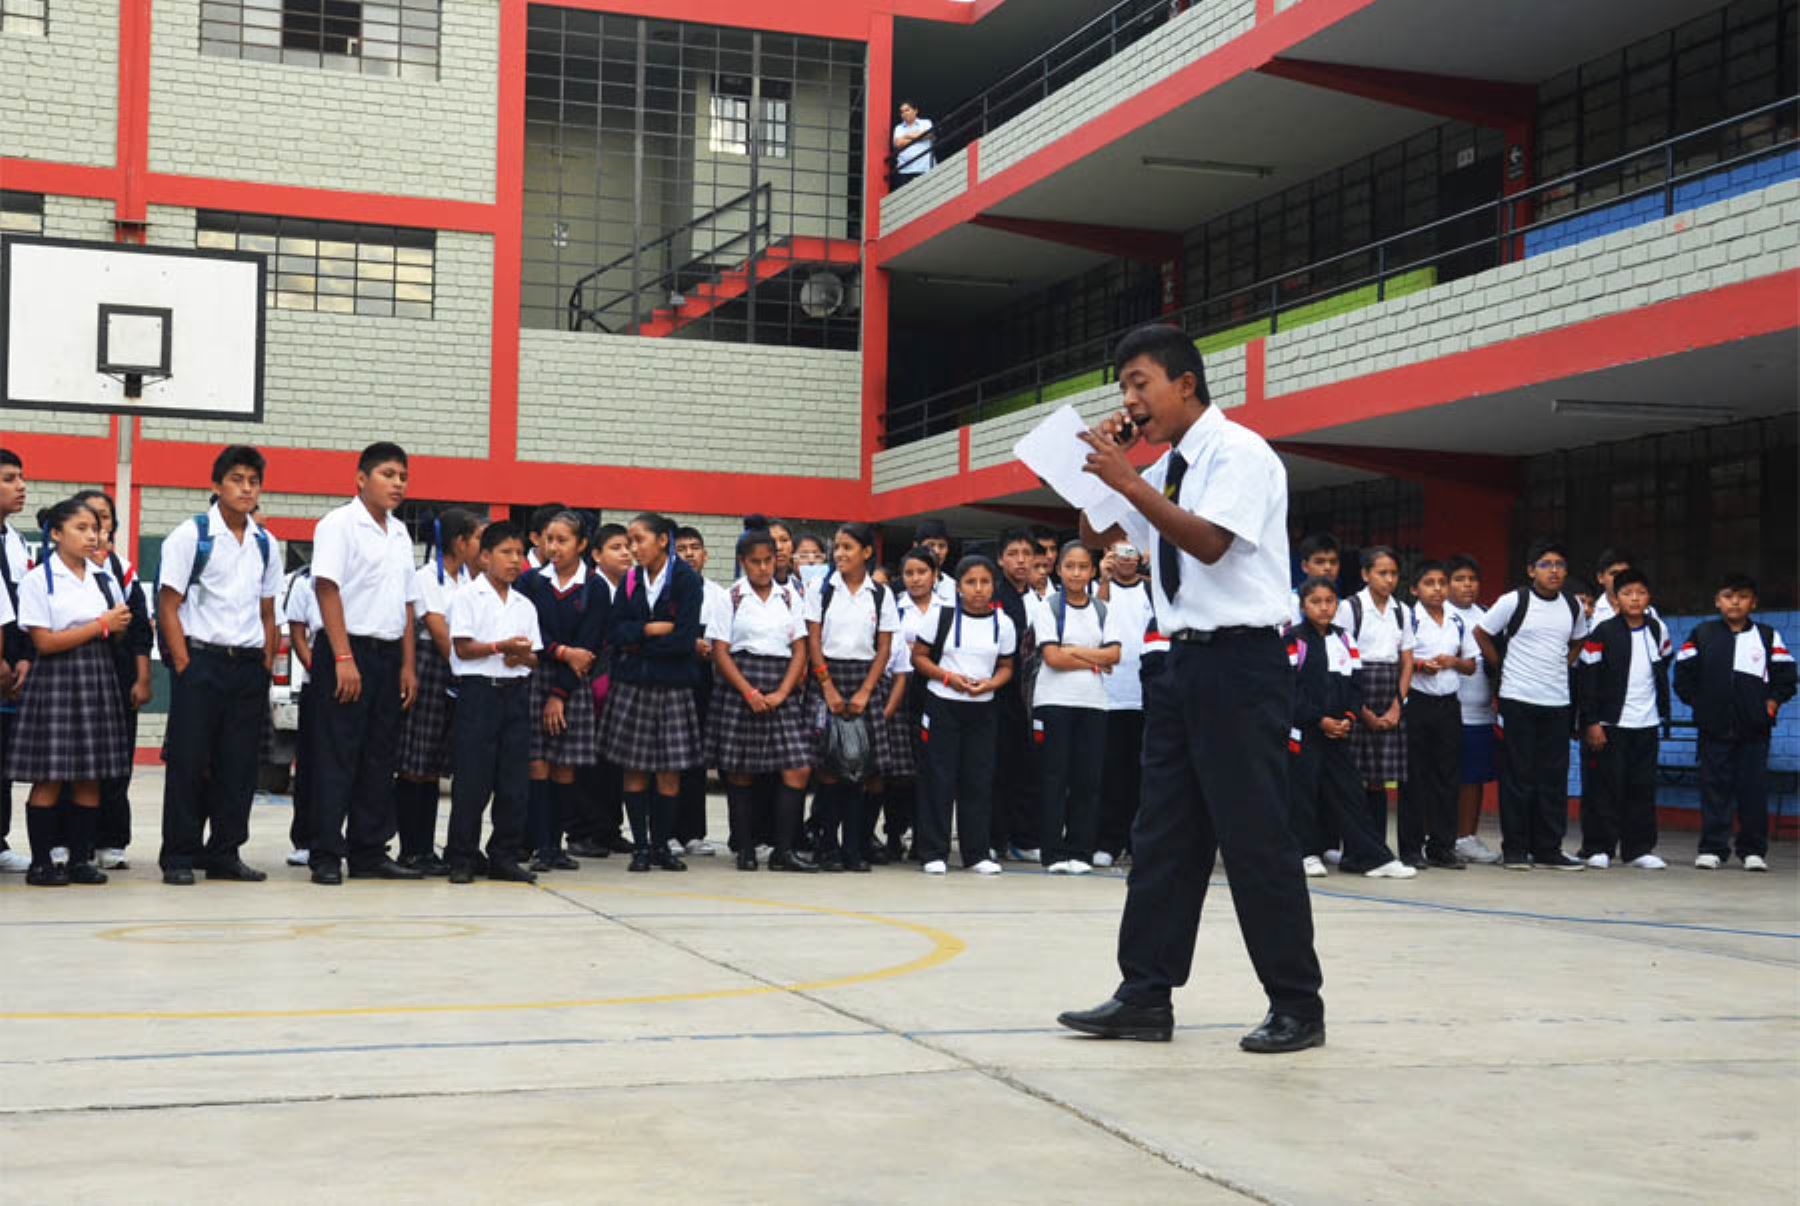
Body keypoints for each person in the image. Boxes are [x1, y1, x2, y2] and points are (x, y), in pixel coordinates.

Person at [1058, 322, 1325, 1054]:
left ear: (1185, 383)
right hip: (1180, 666)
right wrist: (1104, 478)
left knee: (1253, 835)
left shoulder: (1239, 452)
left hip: (1241, 665)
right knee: (1163, 836)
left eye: (1139, 384)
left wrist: (1131, 481)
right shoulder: (1168, 466)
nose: (1131, 400)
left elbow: (1209, 542)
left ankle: (1297, 1002)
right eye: (1122, 390)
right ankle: (1145, 994)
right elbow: (1099, 531)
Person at [156, 446, 282, 885]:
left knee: (240, 765)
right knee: (190, 761)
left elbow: (269, 611)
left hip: (248, 666)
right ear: (216, 485)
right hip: (202, 662)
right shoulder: (191, 536)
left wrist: (266, 662)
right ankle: (178, 854)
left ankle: (225, 851)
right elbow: (168, 605)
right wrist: (184, 665)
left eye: (253, 481)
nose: (246, 488)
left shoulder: (266, 543)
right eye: (237, 480)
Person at [307, 442, 424, 884]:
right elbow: (327, 588)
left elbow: (406, 604)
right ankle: (324, 853)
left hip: (388, 655)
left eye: (403, 477)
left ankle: (369, 849)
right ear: (361, 478)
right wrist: (342, 657)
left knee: (379, 757)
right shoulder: (339, 525)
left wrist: (408, 665)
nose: (398, 484)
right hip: (346, 650)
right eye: (389, 474)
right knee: (336, 755)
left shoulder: (398, 532)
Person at [12, 499, 132, 886]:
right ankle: (42, 862)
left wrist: (113, 626)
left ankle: (82, 859)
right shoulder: (37, 580)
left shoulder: (104, 577)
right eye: (81, 528)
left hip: (96, 675)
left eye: (95, 528)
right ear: (56, 533)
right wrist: (100, 624)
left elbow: (120, 627)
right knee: (50, 774)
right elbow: (44, 642)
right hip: (57, 678)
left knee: (89, 775)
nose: (91, 535)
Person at [1285, 576, 1415, 880]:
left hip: (1339, 731)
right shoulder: (1293, 639)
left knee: (1349, 792)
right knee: (1302, 792)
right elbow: (1288, 688)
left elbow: (1356, 686)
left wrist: (1347, 717)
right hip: (1304, 730)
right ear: (1303, 606)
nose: (1324, 608)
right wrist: (1318, 719)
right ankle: (1305, 852)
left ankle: (1370, 856)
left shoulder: (1345, 639)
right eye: (1315, 602)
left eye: (1329, 601)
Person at [1473, 538, 1588, 871]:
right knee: (1518, 776)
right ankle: (1516, 849)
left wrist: (1563, 663)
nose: (1554, 571)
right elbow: (1482, 632)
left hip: (1557, 701)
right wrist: (1501, 664)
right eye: (1546, 564)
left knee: (1553, 777)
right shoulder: (1514, 601)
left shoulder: (1573, 606)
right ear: (1530, 570)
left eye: (1560, 565)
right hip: (1518, 699)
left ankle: (1548, 848)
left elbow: (1578, 638)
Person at [600, 513, 706, 873]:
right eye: (628, 541)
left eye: (638, 539)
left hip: (673, 685)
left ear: (663, 540)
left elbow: (683, 639)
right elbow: (615, 632)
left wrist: (638, 645)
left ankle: (662, 844)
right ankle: (641, 846)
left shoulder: (686, 580)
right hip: (633, 685)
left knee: (669, 771)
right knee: (635, 768)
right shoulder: (630, 580)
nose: (632, 548)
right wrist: (647, 630)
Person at [705, 525, 815, 872]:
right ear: (742, 562)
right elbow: (720, 652)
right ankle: (746, 847)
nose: (763, 568)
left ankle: (783, 850)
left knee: (797, 767)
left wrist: (784, 691)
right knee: (740, 771)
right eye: (755, 562)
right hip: (742, 681)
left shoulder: (789, 597)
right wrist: (748, 692)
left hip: (781, 681)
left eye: (768, 561)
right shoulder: (731, 597)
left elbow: (801, 648)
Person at [1674, 571, 1795, 871]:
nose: (1735, 603)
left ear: (1753, 603)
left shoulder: (1767, 636)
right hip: (1713, 728)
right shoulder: (1701, 634)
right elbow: (1683, 675)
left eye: (1742, 597)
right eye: (1728, 596)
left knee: (1752, 789)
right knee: (1714, 787)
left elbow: (1787, 677)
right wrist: (1700, 705)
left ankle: (1753, 850)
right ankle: (1712, 848)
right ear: (1717, 601)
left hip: (1754, 729)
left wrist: (1771, 703)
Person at [444, 522, 541, 884]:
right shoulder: (468, 597)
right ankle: (462, 856)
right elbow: (463, 648)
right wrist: (502, 648)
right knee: (473, 778)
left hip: (515, 693)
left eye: (519, 553)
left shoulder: (524, 604)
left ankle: (504, 854)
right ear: (485, 557)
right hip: (478, 692)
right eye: (506, 553)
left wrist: (522, 658)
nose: (515, 561)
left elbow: (535, 655)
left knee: (514, 780)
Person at [911, 554, 1016, 875]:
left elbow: (1007, 666)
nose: (979, 589)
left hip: (982, 707)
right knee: (939, 777)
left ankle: (976, 852)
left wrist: (989, 685)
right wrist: (948, 677)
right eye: (971, 582)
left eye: (985, 582)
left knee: (978, 779)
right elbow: (919, 657)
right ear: (958, 587)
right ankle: (933, 851)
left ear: (994, 585)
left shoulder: (1004, 622)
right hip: (943, 703)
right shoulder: (940, 616)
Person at [804, 522, 901, 873]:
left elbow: (885, 646)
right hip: (826, 675)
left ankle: (855, 847)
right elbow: (813, 640)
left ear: (867, 552)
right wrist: (827, 686)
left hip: (865, 679)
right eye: (838, 548)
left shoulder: (880, 593)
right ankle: (827, 846)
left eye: (848, 547)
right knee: (829, 767)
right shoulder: (821, 588)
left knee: (863, 770)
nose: (840, 554)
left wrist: (865, 691)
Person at [393, 506, 484, 876]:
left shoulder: (467, 579)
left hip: (460, 668)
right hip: (435, 664)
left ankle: (427, 848)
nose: (483, 546)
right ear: (460, 542)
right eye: (478, 538)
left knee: (433, 766)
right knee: (416, 762)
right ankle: (411, 848)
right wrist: (465, 666)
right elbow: (438, 628)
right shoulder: (427, 578)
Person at [68, 489, 152, 872]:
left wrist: (141, 676)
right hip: (71, 675)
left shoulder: (124, 571)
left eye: (103, 519)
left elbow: (138, 632)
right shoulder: (55, 570)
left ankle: (112, 840)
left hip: (117, 677)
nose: (97, 527)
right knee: (71, 762)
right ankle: (65, 841)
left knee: (116, 761)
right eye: (87, 520)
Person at [520, 509, 607, 872]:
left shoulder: (595, 587)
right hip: (536, 677)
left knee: (565, 768)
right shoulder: (532, 583)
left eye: (563, 540)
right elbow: (532, 635)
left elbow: (588, 650)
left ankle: (557, 844)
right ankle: (539, 845)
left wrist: (560, 694)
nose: (553, 547)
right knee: (537, 764)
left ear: (582, 544)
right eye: (548, 539)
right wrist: (560, 651)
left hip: (573, 685)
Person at [1033, 541, 1121, 875]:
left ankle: (1081, 850)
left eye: (1083, 567)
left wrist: (1074, 651)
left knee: (1088, 780)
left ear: (1092, 570)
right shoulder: (1049, 607)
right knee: (1054, 778)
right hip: (1054, 701)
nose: (1076, 573)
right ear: (1059, 569)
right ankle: (1053, 851)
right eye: (1069, 566)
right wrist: (1092, 656)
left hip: (1093, 703)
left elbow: (1114, 655)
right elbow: (1052, 657)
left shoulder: (1102, 609)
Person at [1577, 568, 1672, 870]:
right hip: (1610, 725)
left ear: (1649, 597)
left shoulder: (1658, 630)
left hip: (1647, 723)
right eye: (1627, 593)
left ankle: (1638, 849)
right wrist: (1592, 721)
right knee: (1605, 788)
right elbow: (1588, 680)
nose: (1635, 598)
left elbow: (1663, 664)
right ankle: (1599, 847)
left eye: (1640, 593)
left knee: (1641, 788)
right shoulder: (1602, 633)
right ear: (1616, 599)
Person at [1400, 560, 1479, 869]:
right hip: (1418, 702)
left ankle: (1442, 846)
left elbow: (1471, 664)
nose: (1437, 589)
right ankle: (1411, 848)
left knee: (1447, 777)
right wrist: (1420, 665)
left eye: (1441, 583)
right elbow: (1398, 659)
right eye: (1429, 583)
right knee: (1415, 777)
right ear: (1415, 589)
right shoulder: (1409, 618)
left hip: (1449, 703)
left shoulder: (1458, 620)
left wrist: (1452, 662)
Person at [1336, 545, 1412, 844]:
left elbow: (1406, 660)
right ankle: (1351, 844)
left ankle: (1377, 843)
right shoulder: (1350, 608)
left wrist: (1397, 705)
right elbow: (1342, 658)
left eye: (1393, 573)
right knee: (1353, 775)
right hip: (1358, 693)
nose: (1389, 580)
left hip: (1389, 693)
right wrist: (1361, 709)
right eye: (1382, 573)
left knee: (1380, 779)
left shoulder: (1402, 611)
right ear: (1366, 574)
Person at [1094, 541, 1153, 867]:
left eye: (1132, 553)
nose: (1126, 560)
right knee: (1111, 773)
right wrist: (1104, 580)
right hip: (1110, 695)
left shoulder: (1149, 591)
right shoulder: (1097, 590)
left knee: (1142, 773)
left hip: (1144, 696)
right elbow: (1096, 621)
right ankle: (1107, 840)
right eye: (1119, 554)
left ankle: (1137, 840)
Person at [675, 525, 728, 858]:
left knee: (696, 758)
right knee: (667, 759)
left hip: (704, 680)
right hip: (672, 676)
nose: (690, 553)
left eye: (695, 547)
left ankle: (693, 833)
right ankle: (665, 833)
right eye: (682, 548)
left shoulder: (719, 595)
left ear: (706, 554)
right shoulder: (666, 590)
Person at [1445, 554, 1500, 864]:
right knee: (1444, 776)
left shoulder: (1487, 616)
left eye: (1472, 579)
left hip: (1480, 711)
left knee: (1473, 778)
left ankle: (1466, 837)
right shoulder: (1438, 614)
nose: (1467, 585)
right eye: (1459, 579)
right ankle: (1438, 836)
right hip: (1448, 709)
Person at [992, 528, 1041, 862]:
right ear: (1001, 559)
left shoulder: (1041, 597)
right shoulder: (994, 596)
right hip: (1000, 695)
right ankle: (995, 837)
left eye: (1026, 553)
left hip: (1033, 696)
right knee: (998, 770)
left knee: (1028, 769)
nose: (1021, 560)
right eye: (1013, 553)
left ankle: (1023, 837)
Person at [890, 546, 942, 861]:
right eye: (909, 573)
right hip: (901, 687)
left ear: (935, 575)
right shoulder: (894, 608)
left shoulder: (948, 607)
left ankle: (925, 837)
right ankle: (895, 832)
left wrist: (919, 649)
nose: (916, 579)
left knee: (931, 767)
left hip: (937, 687)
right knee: (900, 769)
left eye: (922, 572)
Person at [0, 448, 31, 873]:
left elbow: (22, 607)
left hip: (11, 671)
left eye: (21, 477)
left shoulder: (19, 542)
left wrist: (21, 658)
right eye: (9, 478)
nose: (21, 486)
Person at [281, 564, 321, 868]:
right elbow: (297, 632)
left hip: (365, 680)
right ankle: (306, 839)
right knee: (312, 764)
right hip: (319, 682)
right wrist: (316, 670)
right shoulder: (305, 582)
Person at [1291, 533, 1341, 625]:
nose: (1328, 567)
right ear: (1305, 566)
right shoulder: (1290, 601)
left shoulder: (1343, 604)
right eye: (1320, 562)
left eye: (1333, 562)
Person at [914, 518, 957, 605]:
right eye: (931, 545)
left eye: (942, 546)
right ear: (916, 546)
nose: (937, 551)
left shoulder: (954, 588)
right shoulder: (899, 588)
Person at [892, 101, 935, 177]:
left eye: (907, 110)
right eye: (902, 112)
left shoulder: (926, 122)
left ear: (915, 111)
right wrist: (919, 136)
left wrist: (906, 136)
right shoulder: (898, 128)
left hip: (925, 168)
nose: (904, 114)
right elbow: (898, 144)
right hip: (905, 170)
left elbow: (929, 134)